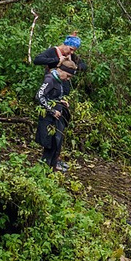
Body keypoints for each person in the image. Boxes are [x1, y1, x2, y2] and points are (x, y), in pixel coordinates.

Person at [30, 35, 80, 169]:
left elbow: (53, 95)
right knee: (50, 143)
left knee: (57, 140)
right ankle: (43, 170)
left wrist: (60, 101)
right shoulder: (50, 79)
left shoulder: (59, 80)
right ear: (62, 71)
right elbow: (40, 96)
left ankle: (52, 166)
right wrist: (51, 110)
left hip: (56, 113)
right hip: (49, 116)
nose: (68, 79)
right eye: (68, 76)